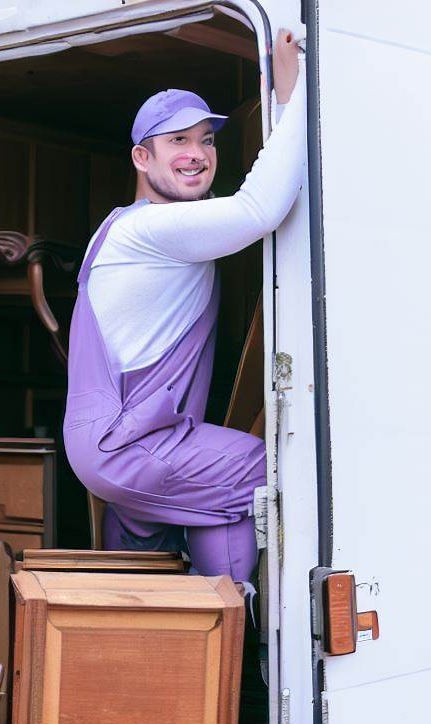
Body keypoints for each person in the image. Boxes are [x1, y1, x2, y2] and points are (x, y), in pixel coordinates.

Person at [63, 29, 305, 582]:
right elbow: (260, 209)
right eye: (177, 142)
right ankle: (229, 627)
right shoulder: (154, 230)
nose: (196, 154)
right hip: (130, 443)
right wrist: (293, 98)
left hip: (118, 442)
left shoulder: (125, 226)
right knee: (253, 469)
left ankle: (149, 656)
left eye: (207, 140)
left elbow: (240, 204)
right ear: (142, 157)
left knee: (143, 576)